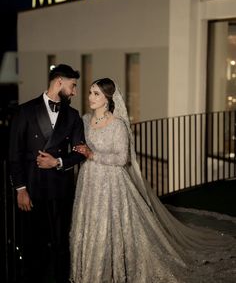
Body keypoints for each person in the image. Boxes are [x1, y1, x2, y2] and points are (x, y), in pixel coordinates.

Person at [70, 78, 236, 283]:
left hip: (111, 184)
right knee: (90, 223)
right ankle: (90, 270)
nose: (90, 97)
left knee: (108, 225)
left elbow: (123, 159)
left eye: (96, 94)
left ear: (107, 99)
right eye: (90, 92)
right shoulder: (85, 120)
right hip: (88, 181)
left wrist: (92, 155)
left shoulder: (117, 125)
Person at [9, 64, 85, 283]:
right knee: (33, 245)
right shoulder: (25, 110)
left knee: (61, 245)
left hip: (61, 188)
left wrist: (57, 161)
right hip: (32, 189)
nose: (74, 92)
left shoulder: (72, 115)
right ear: (59, 82)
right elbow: (15, 153)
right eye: (72, 86)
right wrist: (20, 188)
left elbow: (81, 151)